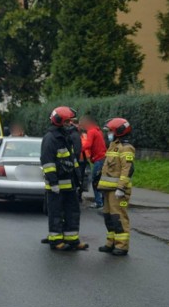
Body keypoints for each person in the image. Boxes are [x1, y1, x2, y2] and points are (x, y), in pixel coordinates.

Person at [41, 106, 88, 251]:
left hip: (69, 183)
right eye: (68, 121)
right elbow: (48, 162)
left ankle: (72, 240)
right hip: (57, 185)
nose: (70, 124)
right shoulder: (50, 138)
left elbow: (72, 159)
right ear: (59, 121)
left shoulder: (66, 137)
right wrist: (53, 182)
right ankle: (56, 241)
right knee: (56, 213)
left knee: (72, 212)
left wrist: (78, 179)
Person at [97, 118, 135, 256]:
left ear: (119, 131)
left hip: (118, 191)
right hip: (108, 190)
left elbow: (127, 170)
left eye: (111, 131)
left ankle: (122, 246)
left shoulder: (126, 148)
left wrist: (121, 188)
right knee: (109, 217)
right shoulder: (113, 145)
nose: (109, 133)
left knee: (119, 217)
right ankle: (111, 242)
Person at [79, 114, 107, 208]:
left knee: (95, 181)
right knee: (99, 181)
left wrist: (78, 149)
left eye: (82, 123)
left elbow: (88, 145)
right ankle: (102, 201)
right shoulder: (98, 130)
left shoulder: (91, 131)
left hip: (98, 160)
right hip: (102, 159)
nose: (81, 125)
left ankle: (99, 203)